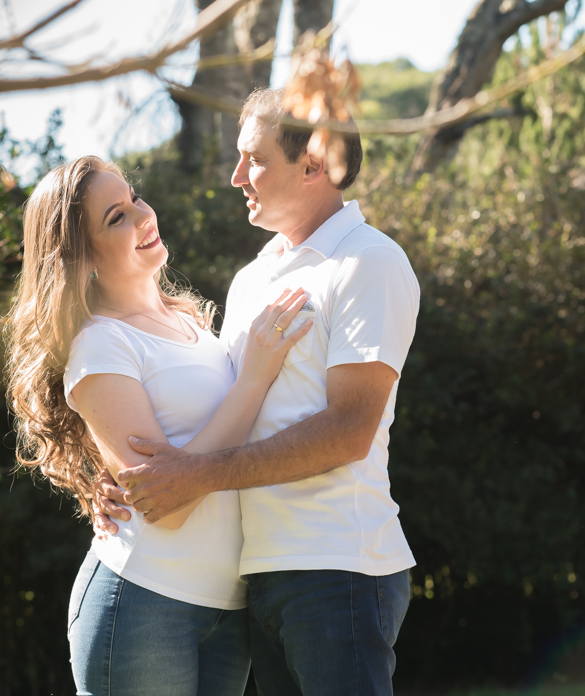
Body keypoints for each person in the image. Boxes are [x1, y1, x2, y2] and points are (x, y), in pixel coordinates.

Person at [94, 89, 421, 696]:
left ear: (314, 164)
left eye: (255, 159)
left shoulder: (368, 261)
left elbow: (350, 429)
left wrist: (202, 474)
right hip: (256, 576)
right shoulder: (252, 279)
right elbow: (204, 399)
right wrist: (114, 469)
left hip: (338, 568)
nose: (237, 175)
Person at [4, 154, 314, 696]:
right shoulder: (101, 344)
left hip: (228, 605)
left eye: (134, 199)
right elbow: (166, 503)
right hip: (144, 603)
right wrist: (254, 379)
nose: (143, 216)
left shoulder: (189, 321)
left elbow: (199, 446)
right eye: (116, 218)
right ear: (83, 258)